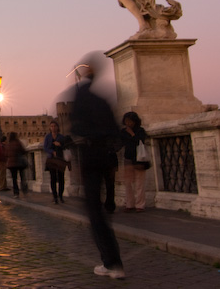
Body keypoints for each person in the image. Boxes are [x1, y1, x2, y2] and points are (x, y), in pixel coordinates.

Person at [69, 53, 125, 279]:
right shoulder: (104, 100)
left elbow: (76, 126)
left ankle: (112, 263)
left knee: (95, 212)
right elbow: (115, 132)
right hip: (105, 157)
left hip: (90, 156)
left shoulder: (82, 95)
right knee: (103, 210)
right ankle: (113, 262)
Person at [121, 111, 147, 212]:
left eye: (130, 121)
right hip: (128, 158)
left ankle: (140, 205)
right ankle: (129, 204)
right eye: (126, 121)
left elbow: (139, 141)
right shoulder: (123, 132)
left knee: (140, 182)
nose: (128, 123)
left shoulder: (140, 131)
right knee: (128, 183)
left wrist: (132, 134)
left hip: (139, 159)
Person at [44, 120, 66, 204]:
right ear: (50, 128)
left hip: (60, 159)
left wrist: (59, 145)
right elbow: (45, 147)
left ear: (57, 127)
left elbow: (65, 146)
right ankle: (55, 196)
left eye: (54, 126)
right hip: (51, 159)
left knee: (61, 178)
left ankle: (60, 196)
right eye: (51, 126)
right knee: (53, 178)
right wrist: (51, 151)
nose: (53, 128)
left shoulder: (61, 137)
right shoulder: (48, 137)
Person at [5, 132, 28, 198]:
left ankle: (16, 193)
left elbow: (6, 154)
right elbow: (23, 151)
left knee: (14, 179)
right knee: (22, 177)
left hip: (11, 164)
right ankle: (24, 189)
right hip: (19, 163)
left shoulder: (8, 145)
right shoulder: (18, 143)